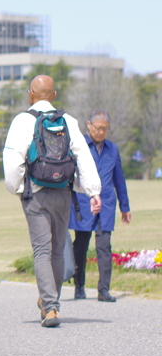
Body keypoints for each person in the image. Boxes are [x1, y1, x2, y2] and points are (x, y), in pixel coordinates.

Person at [3, 75, 101, 328]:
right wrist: (93, 192)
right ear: (54, 96)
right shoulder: (68, 121)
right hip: (64, 192)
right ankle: (50, 302)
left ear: (30, 94)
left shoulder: (23, 121)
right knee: (57, 250)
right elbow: (83, 157)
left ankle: (50, 307)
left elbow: (13, 160)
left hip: (36, 193)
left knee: (42, 251)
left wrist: (18, 188)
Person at [69, 110, 131, 302]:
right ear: (89, 125)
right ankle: (79, 286)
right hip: (84, 203)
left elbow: (119, 179)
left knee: (104, 246)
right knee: (80, 246)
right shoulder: (79, 147)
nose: (101, 132)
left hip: (106, 205)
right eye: (98, 128)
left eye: (105, 129)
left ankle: (103, 290)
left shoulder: (112, 149)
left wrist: (125, 206)